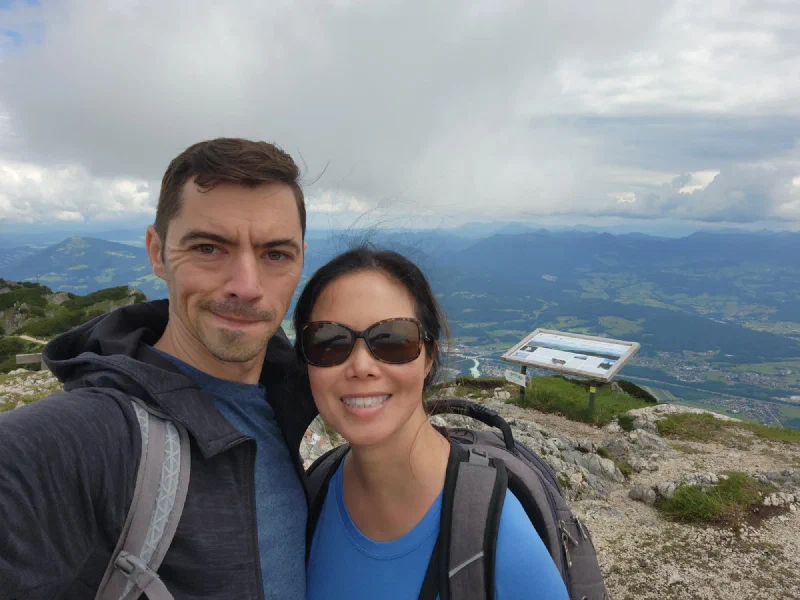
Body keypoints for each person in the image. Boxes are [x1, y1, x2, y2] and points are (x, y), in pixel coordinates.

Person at [0, 138, 317, 599]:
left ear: (300, 260)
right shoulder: (93, 435)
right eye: (209, 248)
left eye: (276, 254)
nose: (247, 286)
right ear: (157, 251)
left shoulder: (294, 398)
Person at [294, 248, 569, 599]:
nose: (361, 366)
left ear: (429, 358)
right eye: (328, 342)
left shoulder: (497, 532)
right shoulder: (311, 496)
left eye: (393, 340)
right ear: (306, 363)